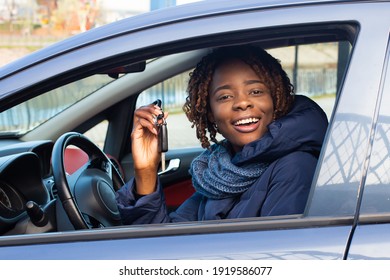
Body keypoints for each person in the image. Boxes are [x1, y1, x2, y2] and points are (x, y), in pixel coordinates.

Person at [115, 45, 328, 224]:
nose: (243, 103)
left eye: (256, 91)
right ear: (209, 113)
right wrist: (146, 170)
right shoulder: (220, 172)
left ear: (276, 101)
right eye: (225, 96)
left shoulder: (295, 167)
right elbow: (161, 242)